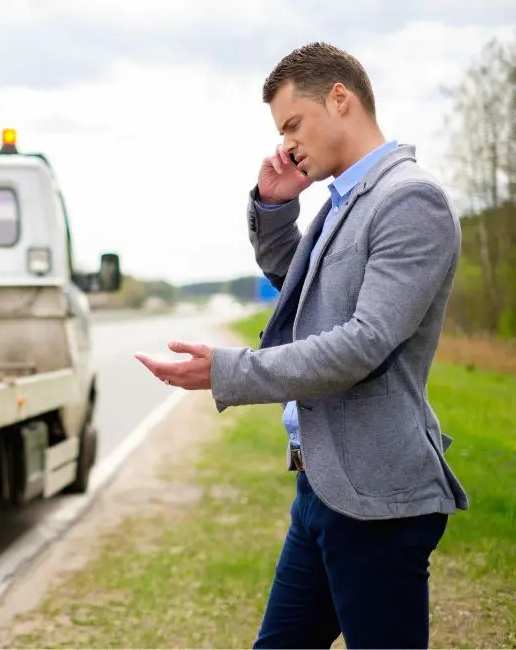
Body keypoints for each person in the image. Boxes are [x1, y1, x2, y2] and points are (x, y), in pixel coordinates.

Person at [134, 42, 469, 649]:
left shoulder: (409, 199)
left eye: (293, 124)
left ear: (339, 98)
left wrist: (229, 371)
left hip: (377, 498)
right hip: (321, 484)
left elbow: (361, 345)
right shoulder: (345, 199)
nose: (287, 143)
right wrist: (276, 206)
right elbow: (305, 290)